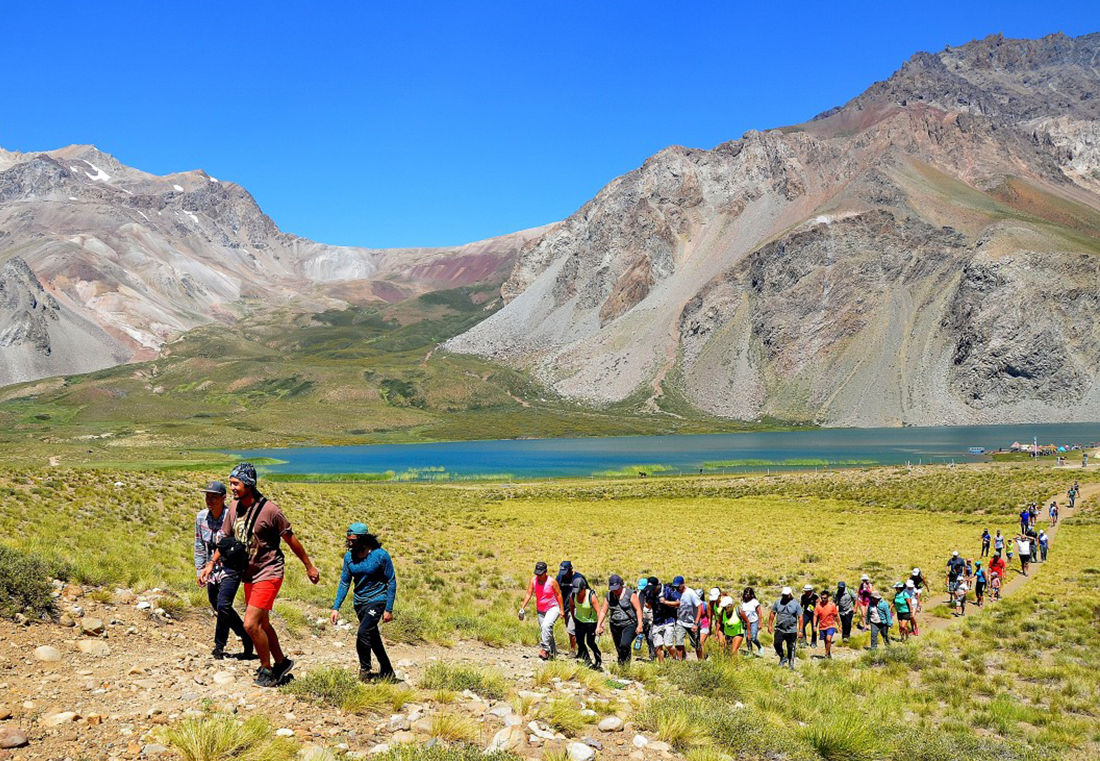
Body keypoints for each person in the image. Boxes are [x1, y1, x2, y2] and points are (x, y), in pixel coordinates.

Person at [201, 463, 320, 688]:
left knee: (250, 624)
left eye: (236, 483)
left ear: (249, 484)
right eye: (230, 483)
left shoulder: (270, 511)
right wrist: (211, 564)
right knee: (262, 623)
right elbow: (225, 541)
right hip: (249, 573)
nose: (232, 488)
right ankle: (282, 662)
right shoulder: (234, 508)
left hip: (269, 571)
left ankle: (267, 669)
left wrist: (309, 566)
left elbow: (290, 539)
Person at [193, 480, 253, 660]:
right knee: (218, 605)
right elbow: (199, 544)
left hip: (230, 568)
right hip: (210, 570)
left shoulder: (231, 517)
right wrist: (200, 569)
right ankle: (245, 635)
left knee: (223, 604)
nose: (209, 501)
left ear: (223, 498)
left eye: (214, 497)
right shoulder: (201, 518)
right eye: (207, 497)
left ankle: (219, 646)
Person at [330, 522, 397, 682]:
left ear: (364, 539)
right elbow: (344, 582)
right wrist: (336, 607)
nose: (350, 543)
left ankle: (365, 671)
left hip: (377, 599)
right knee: (372, 637)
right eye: (348, 540)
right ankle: (388, 670)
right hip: (359, 602)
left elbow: (391, 581)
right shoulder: (349, 557)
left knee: (363, 632)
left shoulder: (380, 555)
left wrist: (388, 609)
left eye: (353, 540)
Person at [519, 561, 564, 660]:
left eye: (540, 574)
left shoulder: (552, 582)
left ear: (545, 572)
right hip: (541, 610)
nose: (538, 576)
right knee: (546, 630)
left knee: (546, 626)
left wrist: (561, 609)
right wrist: (522, 608)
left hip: (553, 608)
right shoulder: (533, 580)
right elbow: (529, 593)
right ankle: (553, 653)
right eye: (537, 574)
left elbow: (558, 595)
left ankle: (545, 649)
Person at [598, 574, 643, 666]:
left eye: (617, 588)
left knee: (625, 644)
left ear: (621, 585)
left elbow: (638, 609)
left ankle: (625, 664)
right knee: (619, 647)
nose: (615, 591)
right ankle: (623, 665)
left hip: (629, 624)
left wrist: (640, 624)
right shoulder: (609, 596)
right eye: (613, 589)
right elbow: (603, 611)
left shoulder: (630, 594)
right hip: (614, 625)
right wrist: (599, 625)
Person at [570, 577, 604, 670]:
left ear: (584, 588)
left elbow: (599, 611)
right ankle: (587, 659)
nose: (577, 593)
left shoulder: (591, 596)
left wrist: (600, 625)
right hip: (579, 621)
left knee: (590, 642)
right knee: (579, 641)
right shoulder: (573, 595)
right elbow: (571, 606)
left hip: (591, 622)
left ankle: (598, 658)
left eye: (579, 591)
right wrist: (574, 618)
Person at [768, 586, 802, 669]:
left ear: (790, 595)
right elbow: (772, 613)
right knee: (776, 644)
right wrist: (770, 625)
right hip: (779, 628)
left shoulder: (796, 604)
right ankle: (782, 657)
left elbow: (800, 617)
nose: (784, 596)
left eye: (786, 595)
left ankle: (791, 664)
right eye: (783, 595)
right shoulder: (777, 602)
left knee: (791, 647)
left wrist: (800, 630)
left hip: (791, 630)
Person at [556, 561, 586, 656]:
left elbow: (586, 592)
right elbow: (556, 592)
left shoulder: (579, 578)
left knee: (571, 628)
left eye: (565, 572)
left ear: (570, 570)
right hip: (565, 606)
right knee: (570, 630)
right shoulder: (559, 578)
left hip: (577, 606)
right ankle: (579, 649)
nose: (564, 575)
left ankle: (573, 650)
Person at [814, 590, 839, 658]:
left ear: (828, 597)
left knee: (828, 639)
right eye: (822, 598)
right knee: (826, 641)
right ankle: (828, 654)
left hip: (831, 625)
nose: (823, 599)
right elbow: (815, 616)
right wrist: (814, 625)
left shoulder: (832, 605)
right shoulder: (818, 606)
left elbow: (836, 616)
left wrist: (839, 625)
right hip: (822, 626)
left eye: (825, 598)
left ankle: (826, 654)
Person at [740, 587, 763, 656]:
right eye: (745, 594)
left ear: (751, 594)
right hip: (746, 623)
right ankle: (750, 651)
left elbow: (759, 612)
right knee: (747, 637)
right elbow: (741, 613)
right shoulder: (743, 603)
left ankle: (760, 647)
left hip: (754, 622)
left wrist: (760, 623)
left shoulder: (754, 602)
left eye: (748, 594)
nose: (746, 595)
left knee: (753, 637)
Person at [696, 589, 712, 657]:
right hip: (696, 626)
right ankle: (701, 657)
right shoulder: (694, 604)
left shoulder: (706, 605)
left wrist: (709, 628)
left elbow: (709, 617)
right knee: (696, 643)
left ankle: (702, 658)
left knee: (701, 642)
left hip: (704, 625)